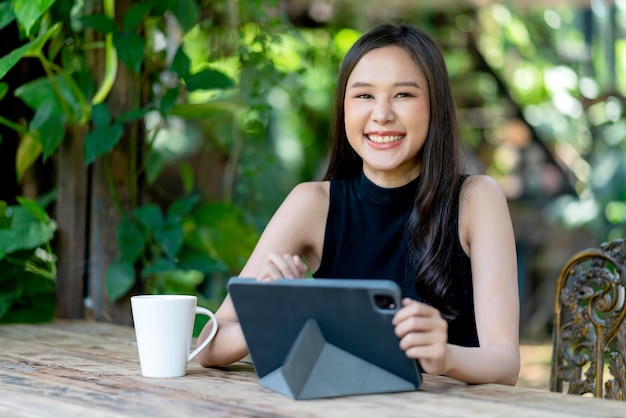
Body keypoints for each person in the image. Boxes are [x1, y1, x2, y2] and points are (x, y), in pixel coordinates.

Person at [197, 23, 520, 386]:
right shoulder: (311, 204)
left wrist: (444, 355)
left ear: (435, 108)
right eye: (364, 95)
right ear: (344, 108)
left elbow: (505, 361)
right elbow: (209, 344)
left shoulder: (477, 199)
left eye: (403, 95)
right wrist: (279, 312)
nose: (381, 114)